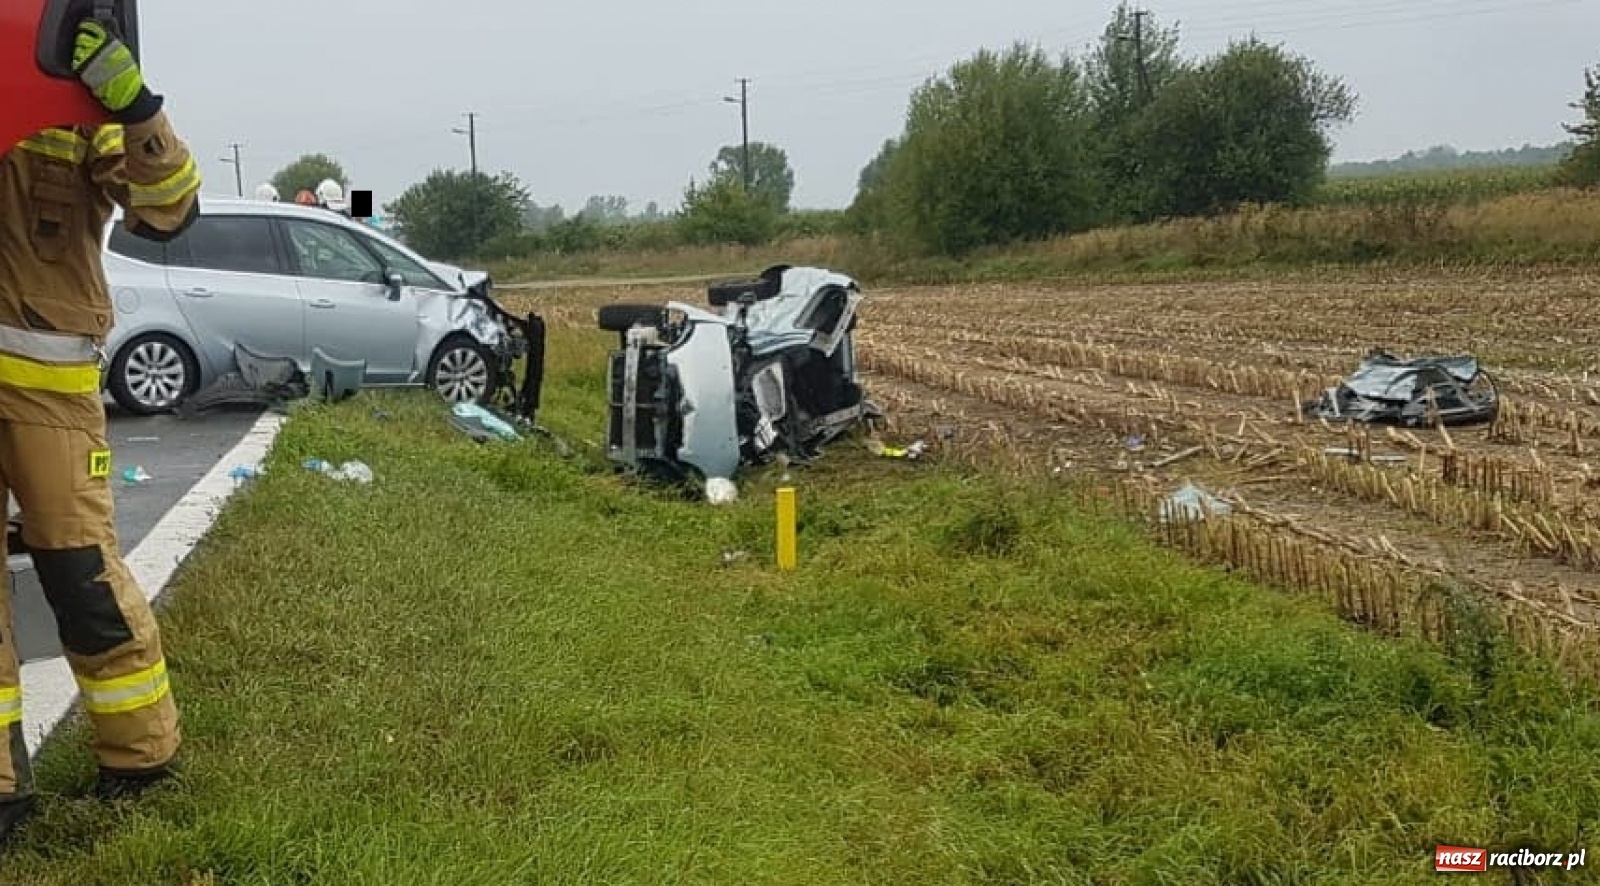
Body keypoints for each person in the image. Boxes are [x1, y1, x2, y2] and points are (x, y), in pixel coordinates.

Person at [0, 18, 200, 843]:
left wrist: (135, 104)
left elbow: (168, 209)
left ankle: (141, 756)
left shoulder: (63, 88)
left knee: (81, 573)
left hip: (49, 390)